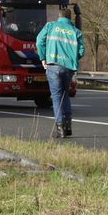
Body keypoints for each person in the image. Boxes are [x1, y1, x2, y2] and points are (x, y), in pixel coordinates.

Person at [37, 7, 85, 139]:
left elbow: (39, 41)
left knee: (57, 97)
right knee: (65, 95)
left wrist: (43, 58)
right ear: (69, 18)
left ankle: (60, 128)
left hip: (53, 66)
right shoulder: (76, 31)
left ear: (59, 16)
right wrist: (73, 59)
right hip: (68, 68)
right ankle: (68, 126)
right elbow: (81, 50)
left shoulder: (51, 26)